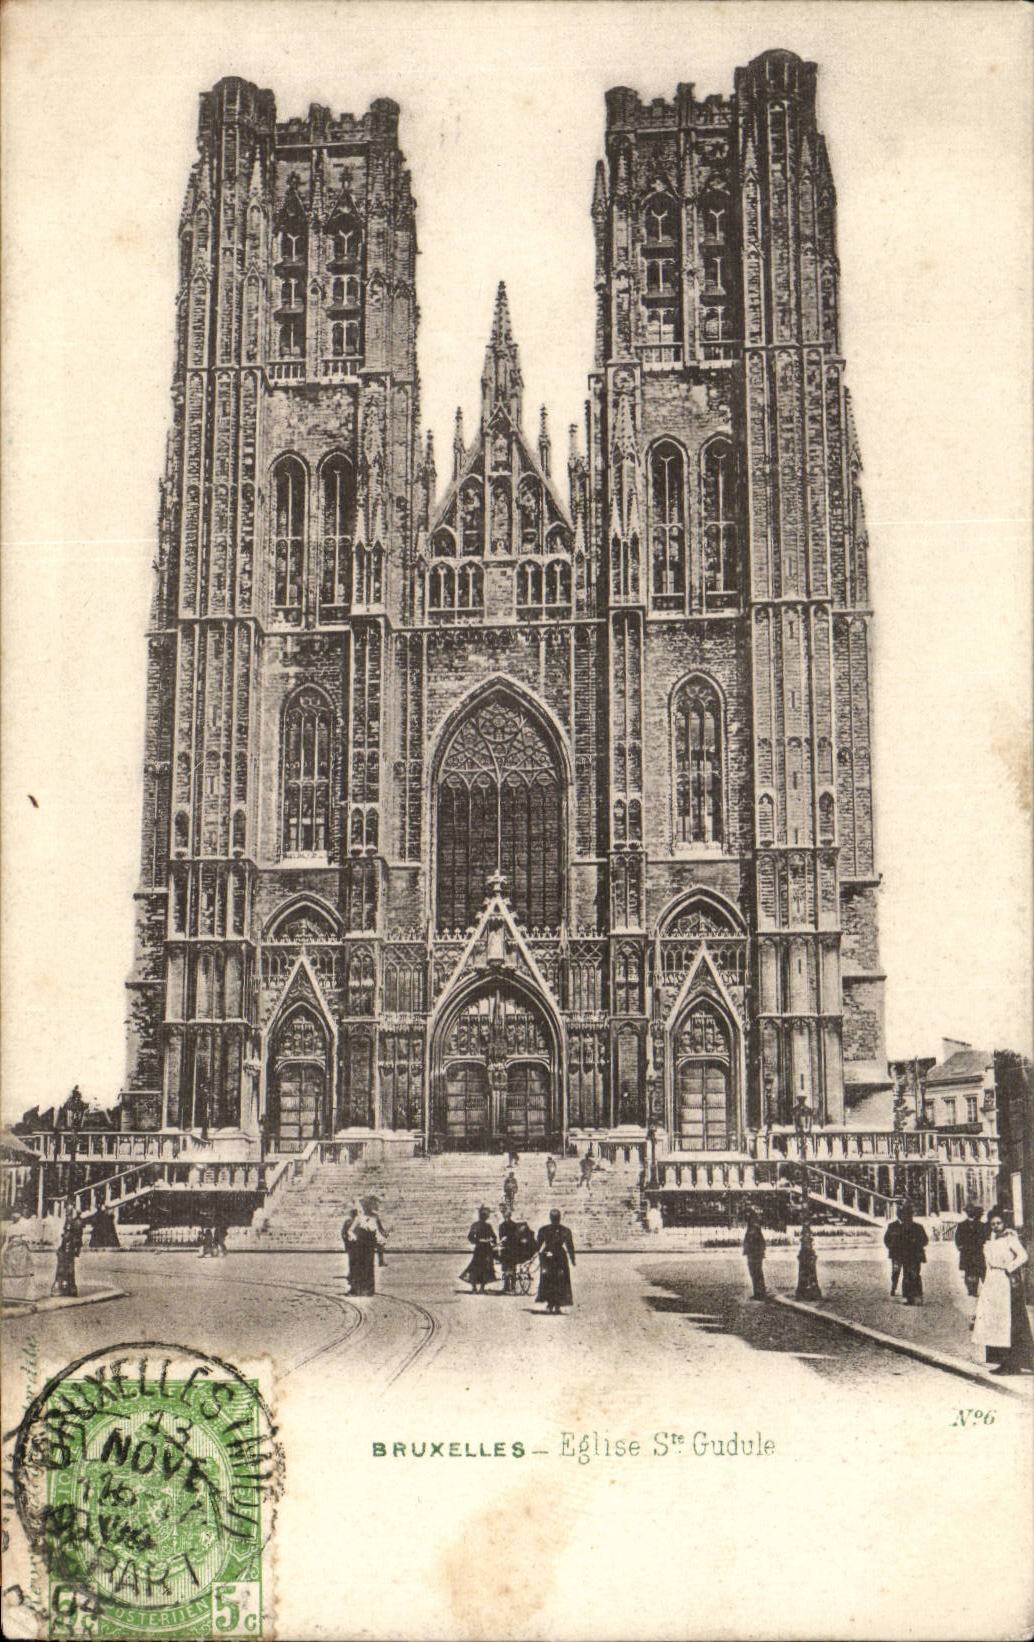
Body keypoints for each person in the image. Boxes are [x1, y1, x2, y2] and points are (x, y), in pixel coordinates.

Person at [973, 1211, 1033, 1374]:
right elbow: (987, 1265)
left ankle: (1012, 1363)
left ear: (1004, 1223)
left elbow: (1023, 1256)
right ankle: (1002, 1361)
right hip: (992, 1283)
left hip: (1006, 1282)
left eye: (998, 1223)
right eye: (993, 1224)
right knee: (995, 1323)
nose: (996, 1226)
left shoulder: (1010, 1239)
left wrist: (1009, 1268)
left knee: (1008, 1322)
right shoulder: (991, 1240)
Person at [343, 1198, 387, 1296]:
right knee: (359, 1267)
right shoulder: (359, 1218)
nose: (370, 1208)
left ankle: (368, 1290)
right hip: (360, 1245)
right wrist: (353, 1236)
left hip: (369, 1246)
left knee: (369, 1267)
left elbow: (377, 1232)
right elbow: (350, 1230)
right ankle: (356, 1290)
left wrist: (381, 1239)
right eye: (368, 1206)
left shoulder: (374, 1219)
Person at [535, 1208, 575, 1314]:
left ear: (550, 1218)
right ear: (559, 1218)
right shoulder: (565, 1230)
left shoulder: (543, 1229)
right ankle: (556, 1304)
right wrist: (572, 1259)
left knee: (549, 1280)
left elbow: (537, 1245)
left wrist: (537, 1253)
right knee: (559, 1280)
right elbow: (570, 1246)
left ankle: (551, 1303)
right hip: (560, 1257)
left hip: (548, 1256)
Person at [954, 1203, 989, 1320]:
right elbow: (958, 1240)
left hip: (979, 1258)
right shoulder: (962, 1225)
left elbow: (985, 1238)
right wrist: (962, 1248)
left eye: (972, 1210)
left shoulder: (982, 1225)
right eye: (969, 1211)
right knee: (971, 1286)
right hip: (969, 1259)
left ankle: (984, 1309)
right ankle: (973, 1313)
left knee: (986, 1283)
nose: (971, 1212)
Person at [896, 1201, 928, 1305]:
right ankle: (909, 1297)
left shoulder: (918, 1227)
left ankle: (916, 1296)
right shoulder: (901, 1228)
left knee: (913, 1275)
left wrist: (916, 1242)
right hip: (906, 1255)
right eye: (905, 1215)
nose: (907, 1218)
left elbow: (925, 1240)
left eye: (908, 1215)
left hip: (915, 1255)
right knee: (907, 1275)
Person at [461, 1206, 498, 1293]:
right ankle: (475, 1287)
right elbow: (470, 1237)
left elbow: (493, 1237)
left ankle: (481, 1288)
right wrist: (478, 1241)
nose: (483, 1217)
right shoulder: (476, 1225)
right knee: (476, 1268)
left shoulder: (487, 1226)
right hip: (480, 1249)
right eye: (483, 1215)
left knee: (485, 1269)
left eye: (484, 1215)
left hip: (486, 1249)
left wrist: (492, 1241)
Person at [52, 1206, 83, 1298]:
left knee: (64, 1267)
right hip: (69, 1247)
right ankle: (70, 1288)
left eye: (68, 1211)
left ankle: (63, 1288)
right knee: (69, 1268)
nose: (66, 1213)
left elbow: (68, 1234)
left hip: (67, 1247)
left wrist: (62, 1245)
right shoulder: (75, 1221)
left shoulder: (70, 1220)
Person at [743, 1210, 767, 1300]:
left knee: (756, 1273)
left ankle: (760, 1293)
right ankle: (758, 1293)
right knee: (755, 1273)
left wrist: (758, 1252)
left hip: (755, 1255)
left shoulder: (754, 1229)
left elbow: (760, 1243)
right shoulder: (752, 1228)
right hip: (753, 1254)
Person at [883, 1210, 904, 1296]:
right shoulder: (892, 1226)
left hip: (908, 1254)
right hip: (896, 1254)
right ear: (898, 1215)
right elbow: (886, 1239)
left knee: (908, 1272)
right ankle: (893, 1287)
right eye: (901, 1214)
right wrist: (891, 1247)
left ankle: (906, 1290)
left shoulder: (910, 1225)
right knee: (895, 1271)